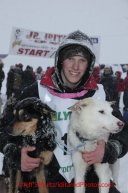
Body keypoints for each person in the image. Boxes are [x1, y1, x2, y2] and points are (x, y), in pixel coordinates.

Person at [0, 30, 128, 193]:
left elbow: (123, 130)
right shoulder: (36, 91)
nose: (75, 67)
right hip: (45, 177)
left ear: (89, 64)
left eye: (82, 60)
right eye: (70, 59)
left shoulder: (99, 94)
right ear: (60, 60)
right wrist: (15, 154)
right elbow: (4, 128)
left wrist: (111, 149)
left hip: (89, 177)